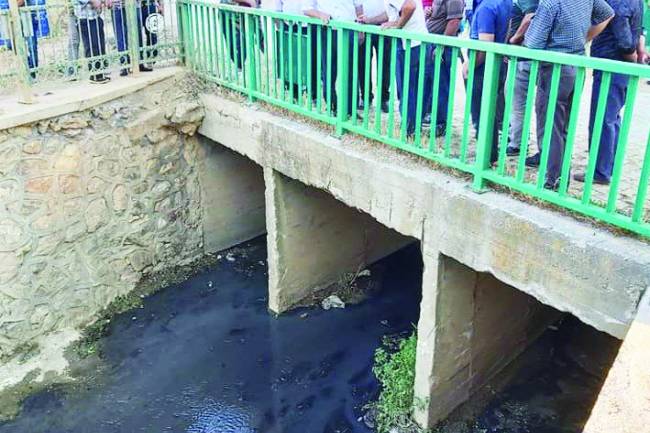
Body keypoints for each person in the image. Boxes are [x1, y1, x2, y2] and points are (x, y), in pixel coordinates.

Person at [524, 0, 614, 190]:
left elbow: (533, 43)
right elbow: (608, 13)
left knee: (551, 126)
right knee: (564, 126)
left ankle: (553, 179)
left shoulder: (550, 4)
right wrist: (584, 38)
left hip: (554, 69)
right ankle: (560, 176)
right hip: (577, 66)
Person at [572, 0, 645, 185]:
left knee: (602, 120)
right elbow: (639, 30)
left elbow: (625, 42)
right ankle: (608, 167)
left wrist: (632, 59)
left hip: (611, 65)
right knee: (612, 119)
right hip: (618, 67)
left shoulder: (618, 2)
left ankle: (601, 172)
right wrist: (638, 55)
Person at [361, 0, 428, 135]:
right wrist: (369, 20)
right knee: (415, 87)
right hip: (417, 41)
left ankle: (410, 129)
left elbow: (410, 6)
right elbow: (391, 13)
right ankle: (413, 126)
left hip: (410, 44)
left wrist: (398, 25)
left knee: (407, 88)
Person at [463, 0, 511, 163]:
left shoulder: (486, 8)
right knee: (491, 113)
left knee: (481, 114)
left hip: (483, 68)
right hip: (499, 63)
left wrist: (469, 65)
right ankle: (490, 154)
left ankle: (484, 158)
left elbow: (485, 46)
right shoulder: (504, 2)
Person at [303, 0, 360, 118]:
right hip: (328, 30)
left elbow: (358, 6)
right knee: (329, 70)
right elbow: (306, 9)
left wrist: (361, 28)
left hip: (349, 30)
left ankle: (350, 110)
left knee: (351, 71)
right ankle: (332, 106)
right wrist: (321, 15)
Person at [422, 0, 465, 137]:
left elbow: (454, 21)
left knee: (441, 87)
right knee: (430, 84)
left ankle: (440, 125)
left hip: (442, 46)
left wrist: (441, 45)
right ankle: (432, 120)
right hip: (433, 43)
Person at [268, 0, 318, 104]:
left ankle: (313, 95)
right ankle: (294, 94)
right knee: (291, 61)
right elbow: (276, 9)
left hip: (308, 25)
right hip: (288, 25)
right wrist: (281, 29)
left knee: (312, 60)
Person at [504, 0, 538, 156]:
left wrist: (515, 38)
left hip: (523, 56)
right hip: (526, 56)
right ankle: (517, 140)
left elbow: (531, 16)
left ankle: (517, 143)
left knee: (517, 102)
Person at [356, 0, 391, 113]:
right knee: (363, 64)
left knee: (384, 64)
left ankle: (384, 98)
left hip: (384, 27)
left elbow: (390, 10)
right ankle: (366, 97)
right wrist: (360, 26)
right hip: (363, 26)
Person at [76, 0, 109, 83]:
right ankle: (95, 75)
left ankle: (101, 72)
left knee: (100, 45)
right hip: (85, 18)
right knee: (91, 47)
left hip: (96, 15)